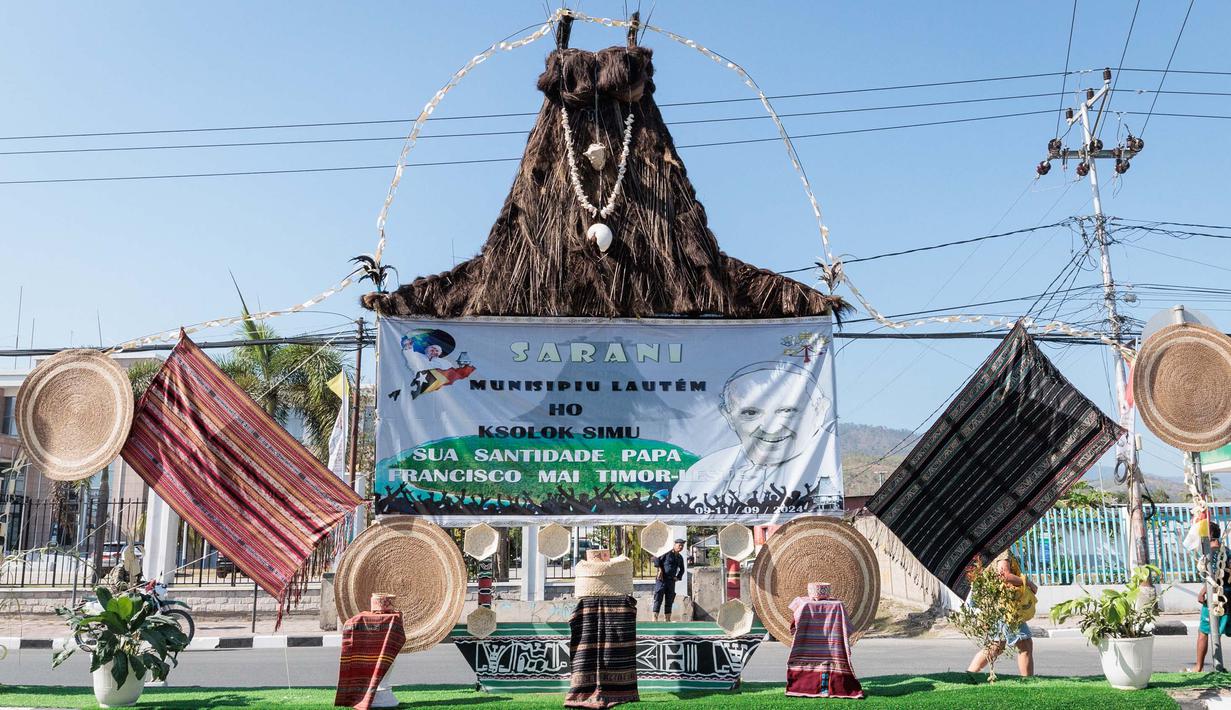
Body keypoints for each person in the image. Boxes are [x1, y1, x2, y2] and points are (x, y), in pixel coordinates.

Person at [670, 361, 839, 507]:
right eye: (751, 413)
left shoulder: (834, 467)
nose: (770, 429)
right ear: (728, 416)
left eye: (787, 411)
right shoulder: (701, 474)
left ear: (820, 410)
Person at [966, 548, 1037, 678]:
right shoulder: (1002, 551)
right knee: (1024, 644)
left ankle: (970, 675)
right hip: (1004, 606)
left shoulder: (993, 549)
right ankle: (1028, 681)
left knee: (997, 645)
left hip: (997, 604)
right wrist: (1028, 582)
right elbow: (1004, 575)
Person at [1191, 522, 1231, 672]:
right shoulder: (1226, 551)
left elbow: (1213, 577)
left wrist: (1203, 591)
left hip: (1215, 598)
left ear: (1208, 535)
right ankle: (1217, 666)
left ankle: (1199, 667)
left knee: (1204, 632)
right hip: (1228, 597)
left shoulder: (1212, 553)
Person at [652, 539, 686, 622]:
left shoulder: (680, 557)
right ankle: (654, 618)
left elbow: (682, 569)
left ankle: (667, 619)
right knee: (658, 598)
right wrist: (660, 569)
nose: (681, 547)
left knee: (669, 600)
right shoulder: (666, 553)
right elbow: (656, 558)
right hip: (662, 580)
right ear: (674, 545)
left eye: (682, 546)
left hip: (671, 581)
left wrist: (678, 577)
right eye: (679, 545)